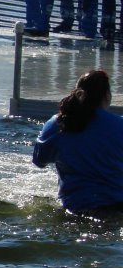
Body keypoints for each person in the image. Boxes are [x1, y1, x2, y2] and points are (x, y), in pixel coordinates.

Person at [33, 70, 123, 212]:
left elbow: (39, 161)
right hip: (117, 206)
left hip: (76, 208)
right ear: (107, 96)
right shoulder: (120, 125)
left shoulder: (57, 124)